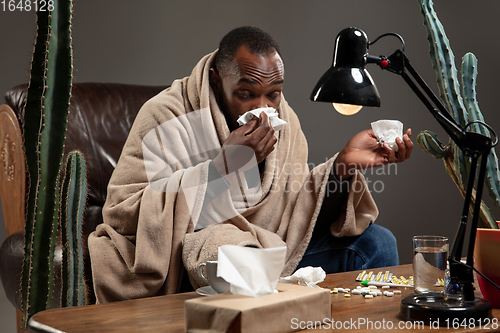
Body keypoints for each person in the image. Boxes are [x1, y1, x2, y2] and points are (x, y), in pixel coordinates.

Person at [88, 26, 413, 303]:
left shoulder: (284, 119)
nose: (263, 108)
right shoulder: (166, 115)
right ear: (217, 82)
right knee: (239, 257)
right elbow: (124, 214)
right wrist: (222, 167)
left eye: (273, 94)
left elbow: (295, 212)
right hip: (194, 261)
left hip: (271, 249)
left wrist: (342, 167)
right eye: (246, 93)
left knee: (377, 243)